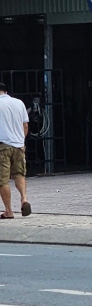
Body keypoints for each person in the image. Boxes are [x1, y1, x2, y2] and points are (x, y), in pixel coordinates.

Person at [0, 82, 31, 219]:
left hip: (3, 146)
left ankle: (8, 210)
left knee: (3, 180)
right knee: (19, 174)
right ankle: (24, 199)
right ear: (6, 91)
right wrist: (21, 141)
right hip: (19, 145)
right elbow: (25, 126)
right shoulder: (19, 103)